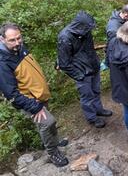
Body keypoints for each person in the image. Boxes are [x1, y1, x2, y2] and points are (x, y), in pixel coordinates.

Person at [0, 23, 69, 167]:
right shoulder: (3, 62)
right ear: (2, 39)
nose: (17, 42)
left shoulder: (19, 49)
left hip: (39, 94)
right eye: (12, 40)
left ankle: (55, 142)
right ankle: (52, 153)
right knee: (47, 122)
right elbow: (11, 93)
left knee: (48, 124)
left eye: (19, 38)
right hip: (28, 100)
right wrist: (34, 107)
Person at [57, 11, 112, 128]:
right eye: (88, 27)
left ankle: (99, 109)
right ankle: (92, 118)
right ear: (80, 25)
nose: (90, 30)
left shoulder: (86, 32)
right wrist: (79, 75)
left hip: (93, 66)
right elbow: (64, 63)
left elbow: (90, 48)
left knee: (96, 91)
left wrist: (96, 63)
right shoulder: (65, 38)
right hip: (82, 72)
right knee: (87, 96)